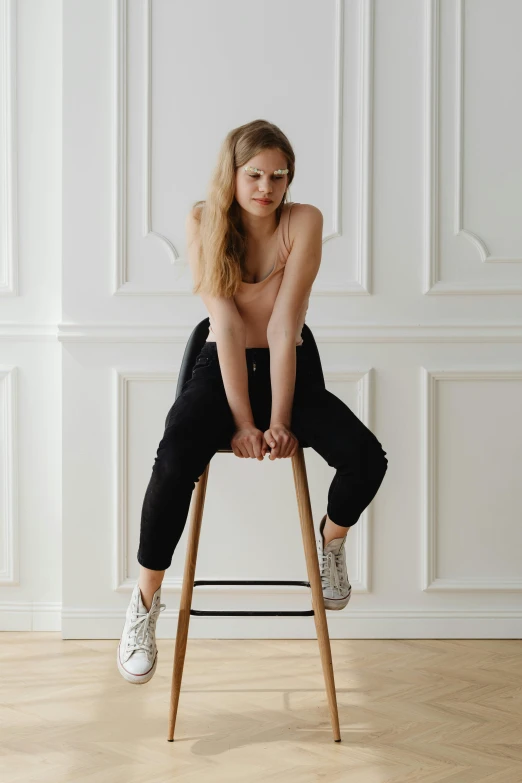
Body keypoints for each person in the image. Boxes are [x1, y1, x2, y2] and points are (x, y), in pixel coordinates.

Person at [117, 119, 388, 685]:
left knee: (366, 456)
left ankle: (331, 543)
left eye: (279, 176)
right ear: (233, 174)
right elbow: (226, 323)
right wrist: (243, 422)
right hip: (221, 366)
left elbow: (286, 324)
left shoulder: (303, 221)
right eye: (255, 175)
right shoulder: (203, 220)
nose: (267, 187)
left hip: (290, 364)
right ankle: (143, 604)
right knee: (171, 464)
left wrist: (282, 419)